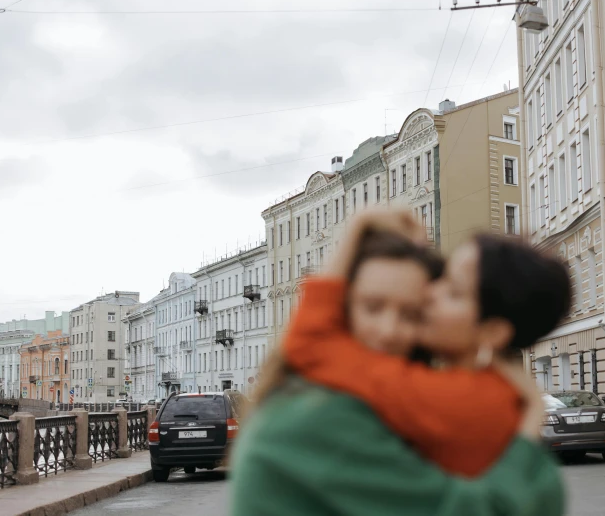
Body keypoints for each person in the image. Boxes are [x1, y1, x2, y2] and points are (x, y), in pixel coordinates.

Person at [230, 211, 565, 516]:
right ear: (343, 309)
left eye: (411, 313)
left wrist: (356, 228)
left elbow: (311, 342)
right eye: (373, 307)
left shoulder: (437, 397)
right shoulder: (322, 416)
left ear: (492, 330)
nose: (389, 331)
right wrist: (529, 424)